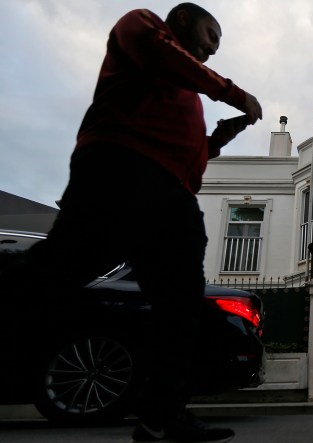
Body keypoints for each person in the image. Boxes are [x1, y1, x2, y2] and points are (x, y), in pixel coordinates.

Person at [19, 3, 262, 442]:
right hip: (121, 167)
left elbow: (190, 161)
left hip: (170, 192)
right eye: (211, 35)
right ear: (184, 20)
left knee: (180, 304)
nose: (213, 48)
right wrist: (232, 92)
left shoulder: (186, 91)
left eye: (218, 44)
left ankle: (162, 416)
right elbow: (161, 53)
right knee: (59, 270)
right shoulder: (145, 27)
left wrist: (215, 141)